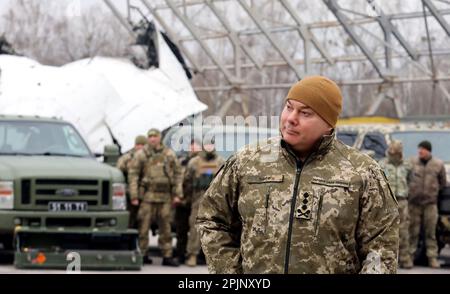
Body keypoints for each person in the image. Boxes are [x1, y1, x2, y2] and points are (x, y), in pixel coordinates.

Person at [196, 76, 399, 274]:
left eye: (305, 113)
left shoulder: (362, 172)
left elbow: (382, 248)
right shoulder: (247, 162)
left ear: (329, 122)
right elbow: (212, 219)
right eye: (289, 107)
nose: (291, 118)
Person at [128, 128, 183, 266]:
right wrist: (134, 195)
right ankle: (143, 254)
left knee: (166, 228)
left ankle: (167, 255)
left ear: (160, 137)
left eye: (155, 136)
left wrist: (177, 194)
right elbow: (133, 175)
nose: (152, 138)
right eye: (150, 136)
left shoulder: (169, 154)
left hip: (165, 198)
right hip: (147, 197)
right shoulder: (142, 155)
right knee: (143, 227)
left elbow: (177, 174)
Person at [183, 139, 224, 266]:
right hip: (198, 199)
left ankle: (210, 257)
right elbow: (187, 181)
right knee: (195, 228)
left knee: (214, 229)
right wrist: (187, 198)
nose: (209, 147)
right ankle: (192, 255)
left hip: (215, 200)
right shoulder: (194, 162)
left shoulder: (221, 162)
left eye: (211, 144)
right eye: (207, 144)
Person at [408, 140, 447, 268]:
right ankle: (410, 258)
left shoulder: (438, 164)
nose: (420, 151)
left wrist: (433, 192)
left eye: (423, 149)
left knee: (430, 233)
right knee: (413, 232)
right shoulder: (412, 163)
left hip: (430, 204)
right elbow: (406, 178)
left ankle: (432, 258)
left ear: (428, 150)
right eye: (419, 149)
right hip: (414, 204)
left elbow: (443, 183)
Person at [379, 140, 413, 269]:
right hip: (387, 201)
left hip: (402, 200)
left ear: (400, 153)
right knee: (386, 231)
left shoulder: (407, 165)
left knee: (404, 231)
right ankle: (388, 260)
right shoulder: (382, 164)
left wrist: (405, 192)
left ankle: (405, 258)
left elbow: (410, 180)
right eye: (391, 152)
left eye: (396, 153)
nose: (393, 155)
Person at [175, 139, 202, 263]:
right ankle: (180, 253)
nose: (193, 149)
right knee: (181, 228)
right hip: (183, 199)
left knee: (196, 228)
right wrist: (178, 195)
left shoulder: (205, 162)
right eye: (191, 147)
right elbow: (178, 179)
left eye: (195, 146)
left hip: (197, 200)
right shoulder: (182, 162)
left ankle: (197, 255)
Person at [116, 135, 147, 229]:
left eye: (142, 144)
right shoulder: (127, 158)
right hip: (130, 194)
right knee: (130, 220)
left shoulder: (149, 158)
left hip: (145, 194)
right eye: (138, 144)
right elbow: (118, 173)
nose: (140, 147)